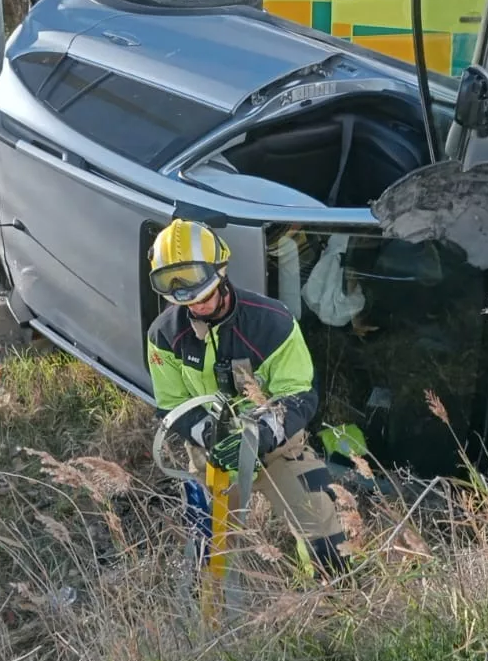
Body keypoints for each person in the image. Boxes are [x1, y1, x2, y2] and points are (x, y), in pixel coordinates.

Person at [145, 218, 350, 578]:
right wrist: (209, 434)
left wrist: (261, 435)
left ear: (220, 272)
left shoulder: (272, 322)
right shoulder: (164, 335)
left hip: (278, 447)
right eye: (184, 298)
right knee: (207, 547)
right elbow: (172, 403)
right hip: (211, 455)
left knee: (324, 530)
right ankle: (212, 602)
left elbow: (300, 392)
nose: (196, 305)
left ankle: (333, 596)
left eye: (203, 295)